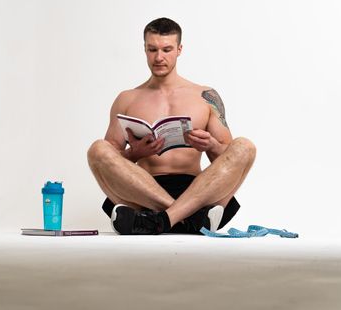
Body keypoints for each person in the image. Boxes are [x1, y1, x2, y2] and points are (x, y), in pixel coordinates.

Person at [87, 17, 256, 235]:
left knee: (245, 147)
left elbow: (227, 158)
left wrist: (211, 145)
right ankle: (186, 219)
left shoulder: (205, 96)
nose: (159, 57)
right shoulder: (126, 99)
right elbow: (108, 161)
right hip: (143, 191)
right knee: (97, 149)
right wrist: (134, 153)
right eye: (152, 49)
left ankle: (158, 221)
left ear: (179, 49)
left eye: (167, 49)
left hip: (198, 190)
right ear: (145, 49)